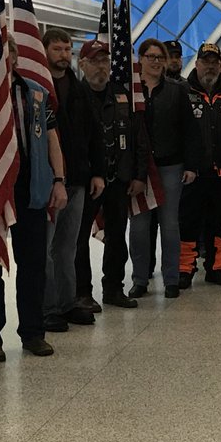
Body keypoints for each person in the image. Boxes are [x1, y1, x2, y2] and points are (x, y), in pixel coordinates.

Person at [0, 37, 66, 361]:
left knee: (33, 265)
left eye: (12, 52)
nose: (7, 58)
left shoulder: (36, 92)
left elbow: (51, 138)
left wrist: (59, 180)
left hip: (29, 189)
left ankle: (33, 332)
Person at [41, 29, 106, 332]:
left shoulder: (79, 91)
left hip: (78, 177)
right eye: (57, 49)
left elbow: (95, 134)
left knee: (68, 246)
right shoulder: (38, 87)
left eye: (68, 49)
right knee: (47, 247)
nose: (64, 55)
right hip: (46, 179)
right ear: (44, 52)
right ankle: (48, 307)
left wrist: (98, 172)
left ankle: (68, 302)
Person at [75, 39, 147, 311]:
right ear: (82, 64)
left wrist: (139, 174)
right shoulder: (76, 96)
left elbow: (138, 136)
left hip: (119, 177)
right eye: (94, 61)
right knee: (80, 238)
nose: (100, 67)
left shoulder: (122, 96)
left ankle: (114, 288)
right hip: (86, 180)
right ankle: (82, 292)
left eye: (105, 61)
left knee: (117, 236)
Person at [128, 39, 201, 298]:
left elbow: (190, 130)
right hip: (139, 169)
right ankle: (139, 279)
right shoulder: (131, 90)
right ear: (141, 59)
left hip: (170, 165)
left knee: (170, 224)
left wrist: (191, 165)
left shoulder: (177, 90)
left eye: (160, 57)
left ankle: (171, 279)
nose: (156, 61)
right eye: (151, 56)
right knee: (138, 226)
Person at [180, 43, 221, 288]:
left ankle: (217, 268)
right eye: (206, 61)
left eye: (215, 62)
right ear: (197, 63)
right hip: (192, 174)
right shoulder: (183, 91)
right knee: (188, 223)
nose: (211, 66)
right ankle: (184, 269)